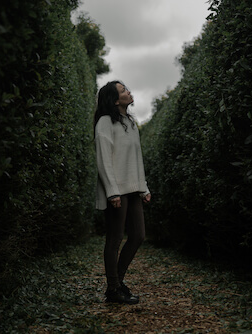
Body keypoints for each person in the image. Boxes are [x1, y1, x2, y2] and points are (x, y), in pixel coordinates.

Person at [94, 80, 151, 304]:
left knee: (138, 235)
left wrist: (144, 187)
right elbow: (104, 160)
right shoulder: (105, 123)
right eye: (123, 90)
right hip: (116, 191)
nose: (128, 91)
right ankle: (113, 289)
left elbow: (136, 160)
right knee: (115, 238)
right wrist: (112, 192)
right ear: (116, 100)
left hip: (133, 189)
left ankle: (115, 283)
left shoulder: (130, 122)